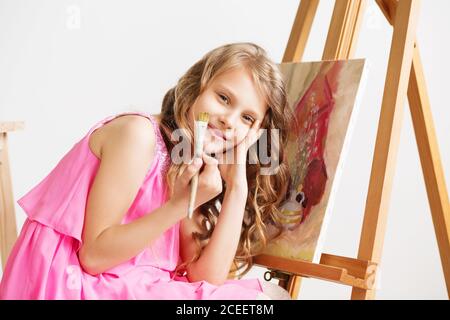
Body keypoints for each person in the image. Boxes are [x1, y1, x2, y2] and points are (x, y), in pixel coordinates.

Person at [0, 42, 293, 300]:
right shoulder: (138, 135)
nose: (229, 120)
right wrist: (179, 205)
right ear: (195, 87)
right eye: (223, 98)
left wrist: (237, 188)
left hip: (120, 281)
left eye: (247, 118)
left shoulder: (190, 159)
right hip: (64, 280)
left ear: (256, 133)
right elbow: (93, 257)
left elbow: (206, 280)